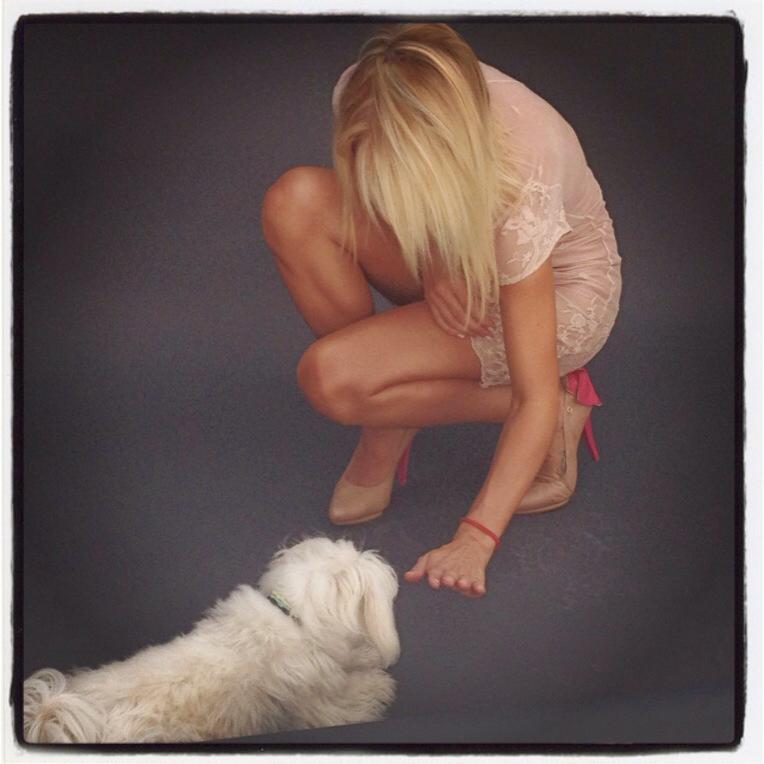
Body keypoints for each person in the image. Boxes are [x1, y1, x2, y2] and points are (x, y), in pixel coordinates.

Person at [260, 23, 622, 598]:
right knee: (296, 200)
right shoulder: (366, 87)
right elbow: (398, 197)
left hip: (557, 290)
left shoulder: (526, 166)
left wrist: (476, 537)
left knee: (331, 379)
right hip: (459, 250)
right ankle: (388, 408)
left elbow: (529, 391)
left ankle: (559, 409)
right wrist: (438, 264)